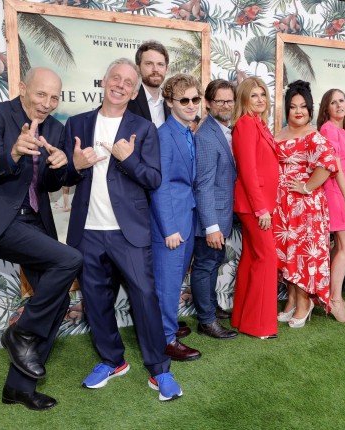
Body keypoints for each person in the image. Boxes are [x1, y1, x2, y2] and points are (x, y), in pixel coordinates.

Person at [0, 67, 82, 411]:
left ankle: (19, 388)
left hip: (34, 221)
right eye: (41, 94)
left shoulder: (55, 129)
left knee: (58, 302)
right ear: (23, 88)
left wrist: (63, 167)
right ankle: (19, 333)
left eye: (54, 98)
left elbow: (49, 185)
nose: (47, 103)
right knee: (70, 259)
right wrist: (14, 153)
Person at [65, 58, 181, 401]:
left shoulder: (143, 129)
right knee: (95, 301)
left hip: (128, 232)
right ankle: (113, 360)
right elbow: (58, 177)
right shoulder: (77, 123)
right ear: (103, 81)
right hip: (87, 231)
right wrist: (75, 166)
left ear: (133, 93)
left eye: (128, 82)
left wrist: (127, 159)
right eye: (115, 78)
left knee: (145, 298)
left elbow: (154, 179)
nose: (120, 85)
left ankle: (159, 370)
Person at [148, 73, 205, 361]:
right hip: (170, 223)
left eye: (196, 99)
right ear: (170, 102)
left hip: (187, 216)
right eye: (184, 100)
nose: (191, 104)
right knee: (167, 284)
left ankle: (167, 325)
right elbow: (160, 185)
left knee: (175, 279)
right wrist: (169, 229)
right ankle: (166, 339)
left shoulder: (187, 132)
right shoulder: (164, 135)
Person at [273, 80, 338, 328]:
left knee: (301, 255)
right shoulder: (281, 132)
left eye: (303, 106)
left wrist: (306, 187)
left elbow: (328, 164)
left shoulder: (313, 135)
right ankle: (291, 299)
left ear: (310, 109)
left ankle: (304, 302)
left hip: (305, 207)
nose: (298, 111)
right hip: (283, 206)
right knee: (289, 253)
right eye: (293, 106)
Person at [189, 79, 239, 340]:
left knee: (212, 263)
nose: (226, 105)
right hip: (210, 218)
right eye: (220, 101)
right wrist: (211, 227)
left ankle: (209, 308)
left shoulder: (221, 129)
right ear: (208, 103)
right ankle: (206, 321)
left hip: (220, 215)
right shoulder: (207, 136)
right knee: (205, 265)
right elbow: (204, 185)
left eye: (229, 100)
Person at [231, 77, 279, 339]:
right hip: (254, 206)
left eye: (262, 94)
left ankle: (242, 318)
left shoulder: (259, 123)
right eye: (254, 95)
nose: (260, 99)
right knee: (266, 258)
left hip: (261, 203)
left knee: (252, 257)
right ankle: (258, 325)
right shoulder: (246, 124)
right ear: (244, 99)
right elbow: (247, 171)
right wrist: (261, 209)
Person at [317, 88, 345, 323]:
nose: (339, 105)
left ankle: (329, 295)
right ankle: (334, 301)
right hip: (337, 192)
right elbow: (335, 166)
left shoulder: (343, 130)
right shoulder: (328, 129)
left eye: (342, 100)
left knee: (341, 246)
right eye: (334, 102)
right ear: (326, 108)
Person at [127, 40, 170, 127]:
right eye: (149, 64)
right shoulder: (127, 101)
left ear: (166, 69)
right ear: (138, 68)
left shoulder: (172, 101)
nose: (155, 69)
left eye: (160, 64)